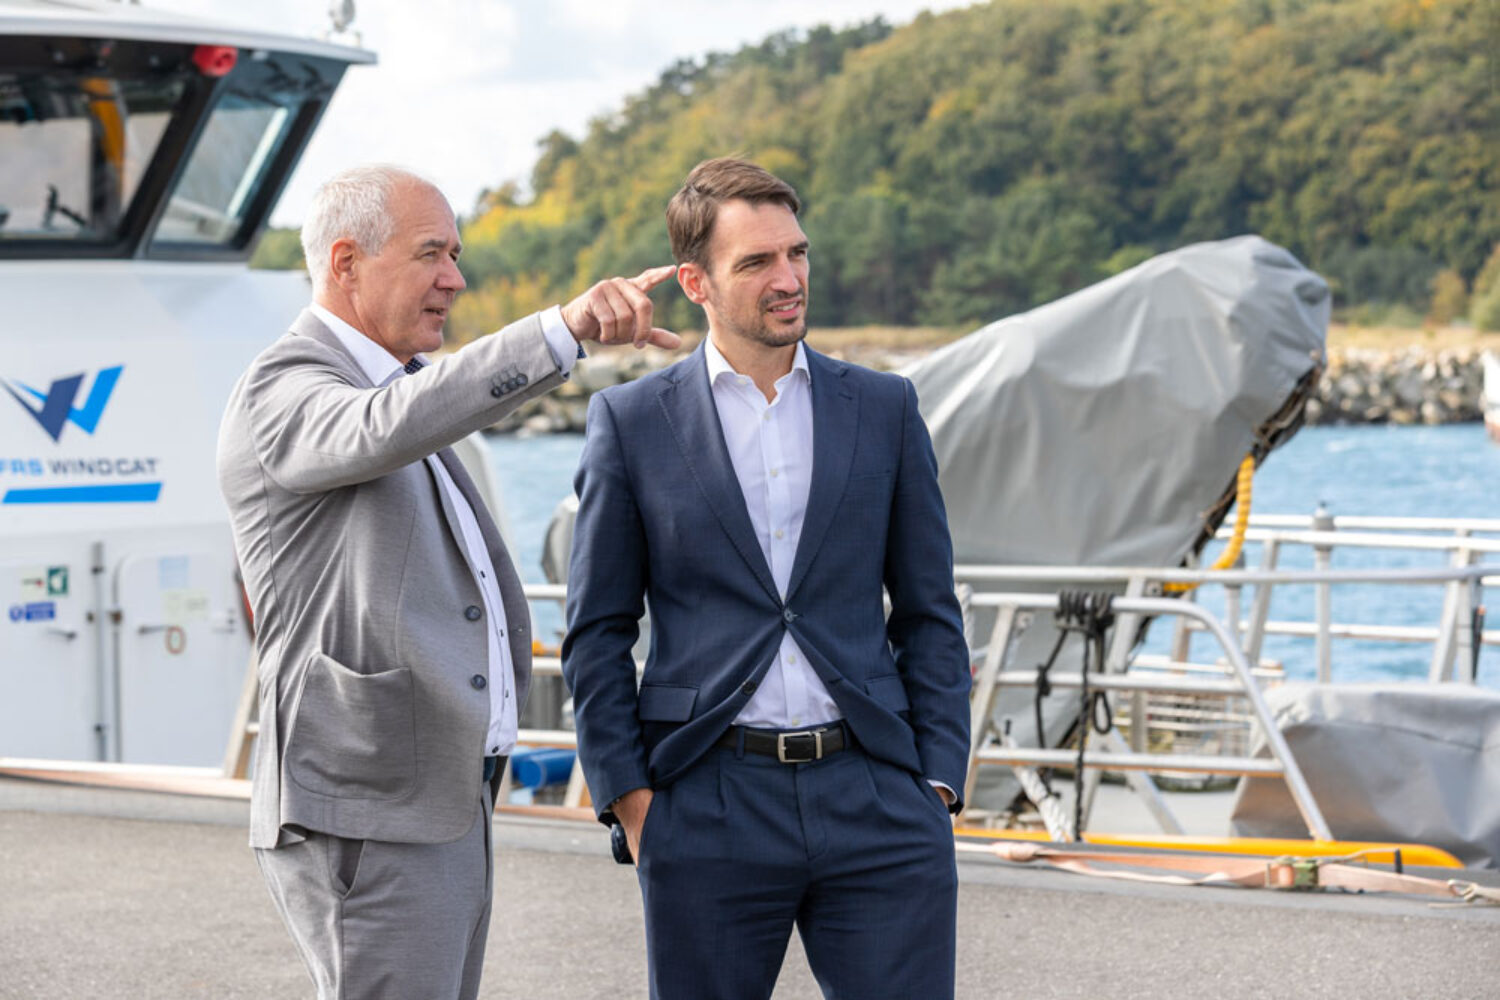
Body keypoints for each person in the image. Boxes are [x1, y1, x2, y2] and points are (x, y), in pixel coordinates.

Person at [216, 163, 678, 1000]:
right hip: (369, 807)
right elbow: (382, 427)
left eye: (455, 256)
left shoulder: (400, 385)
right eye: (431, 253)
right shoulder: (283, 388)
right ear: (346, 262)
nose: (454, 280)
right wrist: (561, 330)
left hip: (436, 798)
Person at [562, 157, 971, 999]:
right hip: (706, 801)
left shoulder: (885, 408)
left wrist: (937, 781)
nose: (788, 279)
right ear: (696, 282)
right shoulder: (632, 423)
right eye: (756, 262)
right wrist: (631, 802)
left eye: (797, 253)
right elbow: (597, 631)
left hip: (876, 796)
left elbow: (929, 610)